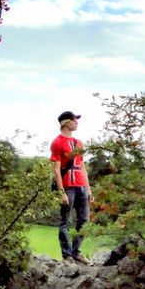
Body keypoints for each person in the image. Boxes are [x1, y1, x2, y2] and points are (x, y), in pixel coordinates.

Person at [50, 110, 94, 264]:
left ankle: (76, 252)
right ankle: (67, 255)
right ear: (65, 122)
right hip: (67, 187)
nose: (77, 122)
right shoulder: (57, 142)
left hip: (81, 185)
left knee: (84, 220)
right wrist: (61, 192)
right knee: (65, 221)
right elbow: (56, 169)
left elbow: (82, 166)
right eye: (74, 120)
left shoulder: (78, 143)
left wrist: (88, 189)